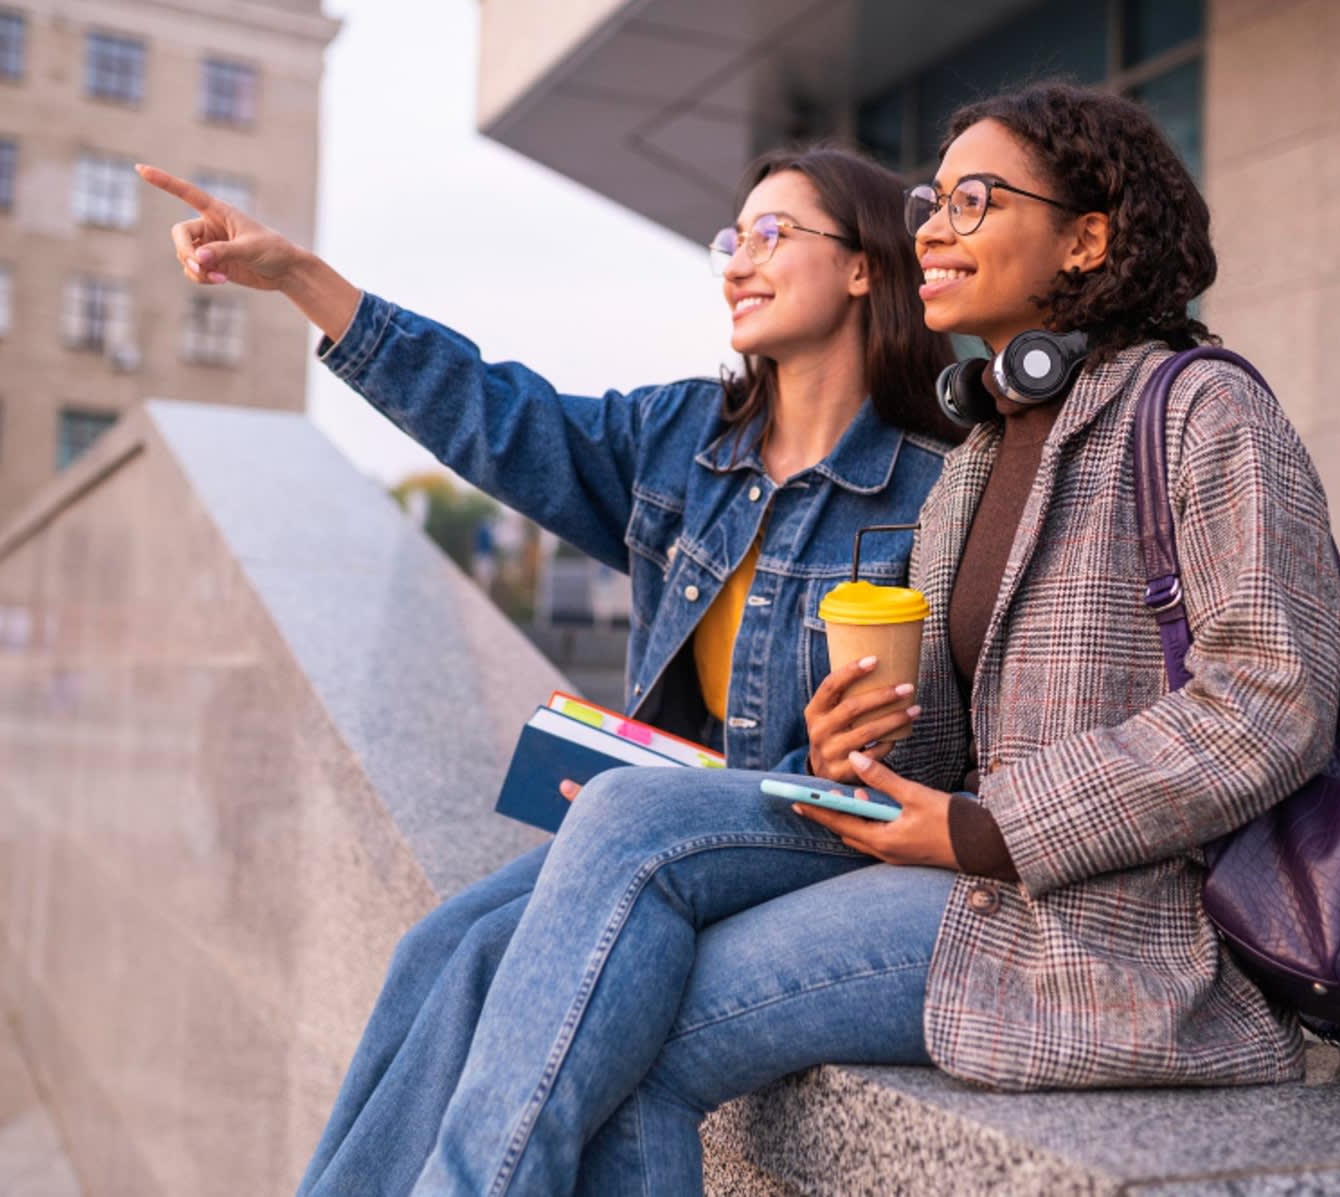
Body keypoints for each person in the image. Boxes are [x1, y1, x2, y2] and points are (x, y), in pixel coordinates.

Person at [390, 80, 1340, 1195]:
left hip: (1107, 928)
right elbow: (943, 742)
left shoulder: (1205, 411)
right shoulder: (983, 451)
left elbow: (1270, 705)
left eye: (974, 201)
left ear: (1086, 238)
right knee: (614, 909)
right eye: (929, 202)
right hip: (970, 876)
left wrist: (990, 828)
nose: (932, 229)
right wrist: (861, 740)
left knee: (618, 1011)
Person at [137, 146, 958, 1194]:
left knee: (585, 924)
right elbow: (497, 415)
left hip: (827, 831)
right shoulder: (683, 439)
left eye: (772, 236)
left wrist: (848, 746)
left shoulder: (933, 487)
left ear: (861, 268)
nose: (737, 264)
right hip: (684, 821)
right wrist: (303, 278)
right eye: (729, 239)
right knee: (444, 950)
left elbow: (954, 730)